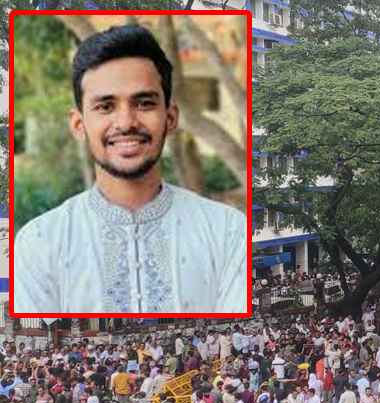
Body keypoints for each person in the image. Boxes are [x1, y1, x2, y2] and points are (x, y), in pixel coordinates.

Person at [12, 24, 247, 313]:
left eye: (144, 103)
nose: (125, 122)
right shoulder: (40, 242)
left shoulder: (226, 231)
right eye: (105, 106)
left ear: (170, 118)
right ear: (78, 124)